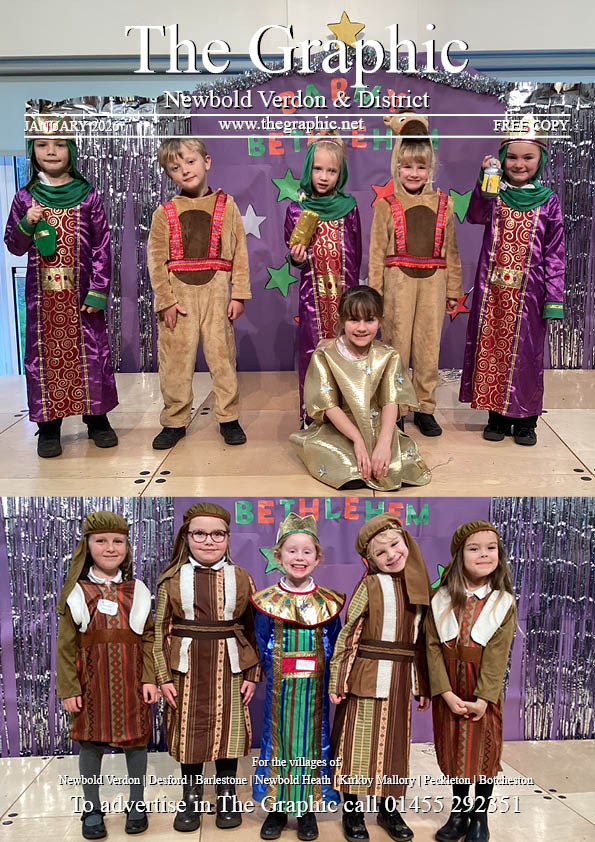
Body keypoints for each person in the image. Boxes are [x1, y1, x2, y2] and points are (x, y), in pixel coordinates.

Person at [4, 116, 118, 458]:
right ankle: (48, 427)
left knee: (93, 356)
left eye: (58, 144)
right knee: (44, 359)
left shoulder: (88, 196)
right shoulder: (26, 198)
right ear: (32, 151)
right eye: (42, 145)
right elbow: (13, 244)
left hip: (82, 297)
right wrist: (27, 222)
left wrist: (98, 290)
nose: (50, 151)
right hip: (44, 302)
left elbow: (102, 246)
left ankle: (97, 419)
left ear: (70, 150)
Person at [154, 502, 260, 832]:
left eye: (218, 534)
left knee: (229, 731)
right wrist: (162, 677)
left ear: (228, 538)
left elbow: (254, 629)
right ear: (187, 537)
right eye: (200, 533)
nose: (209, 540)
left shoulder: (242, 578)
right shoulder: (171, 580)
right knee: (189, 733)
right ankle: (192, 796)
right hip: (184, 671)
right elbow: (159, 631)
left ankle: (227, 793)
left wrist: (253, 675)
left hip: (230, 669)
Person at [459, 116, 565, 446]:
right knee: (492, 351)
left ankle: (525, 420)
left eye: (527, 157)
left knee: (527, 356)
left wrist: (554, 298)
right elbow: (475, 214)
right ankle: (496, 417)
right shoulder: (496, 195)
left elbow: (554, 253)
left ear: (540, 159)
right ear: (503, 159)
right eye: (512, 157)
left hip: (530, 296)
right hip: (493, 294)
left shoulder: (547, 201)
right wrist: (484, 181)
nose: (519, 164)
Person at [329, 514, 431, 842]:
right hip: (367, 675)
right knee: (357, 745)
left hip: (401, 678)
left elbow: (421, 642)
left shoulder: (420, 587)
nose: (391, 555)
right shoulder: (370, 585)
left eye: (395, 545)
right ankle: (353, 812)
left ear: (406, 542)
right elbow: (350, 633)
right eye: (380, 552)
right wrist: (339, 679)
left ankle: (389, 810)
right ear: (369, 560)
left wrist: (422, 685)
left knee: (393, 746)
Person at [56, 511, 158, 839]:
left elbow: (149, 638)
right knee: (90, 743)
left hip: (130, 680)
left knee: (136, 741)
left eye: (118, 541)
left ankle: (137, 804)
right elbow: (66, 645)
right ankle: (91, 809)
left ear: (127, 547)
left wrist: (149, 678)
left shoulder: (137, 590)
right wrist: (69, 687)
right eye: (101, 541)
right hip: (92, 680)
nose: (110, 548)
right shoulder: (78, 592)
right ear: (87, 546)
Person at [147, 138, 251, 449]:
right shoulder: (164, 213)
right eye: (175, 168)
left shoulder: (227, 205)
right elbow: (156, 260)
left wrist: (239, 294)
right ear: (169, 175)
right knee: (175, 361)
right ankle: (175, 420)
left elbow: (241, 253)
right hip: (178, 299)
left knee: (222, 357)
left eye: (190, 162)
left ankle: (228, 417)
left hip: (217, 294)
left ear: (206, 162)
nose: (185, 171)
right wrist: (165, 300)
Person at [251, 513, 344, 842]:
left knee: (312, 744)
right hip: (280, 693)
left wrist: (333, 680)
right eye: (292, 551)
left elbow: (335, 642)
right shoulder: (265, 603)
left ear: (318, 558)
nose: (299, 558)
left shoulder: (329, 603)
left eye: (307, 552)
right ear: (278, 556)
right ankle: (277, 808)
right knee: (279, 746)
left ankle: (306, 810)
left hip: (314, 693)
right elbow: (261, 641)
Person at [368, 112, 463, 437]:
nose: (414, 173)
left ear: (431, 169)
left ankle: (424, 406)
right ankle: (396, 408)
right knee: (396, 347)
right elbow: (377, 254)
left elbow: (451, 253)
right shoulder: (386, 206)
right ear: (397, 166)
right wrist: (375, 294)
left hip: (433, 287)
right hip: (397, 287)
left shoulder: (444, 205)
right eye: (407, 166)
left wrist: (454, 291)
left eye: (421, 167)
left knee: (427, 348)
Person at [425, 521, 516, 842]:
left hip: (482, 690)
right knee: (456, 751)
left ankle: (480, 816)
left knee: (483, 754)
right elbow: (432, 648)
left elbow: (497, 655)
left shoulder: (502, 602)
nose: (484, 554)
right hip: (450, 686)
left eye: (491, 548)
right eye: (474, 548)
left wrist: (483, 698)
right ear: (458, 556)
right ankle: (459, 812)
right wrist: (445, 692)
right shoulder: (441, 599)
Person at [290, 286, 431, 491]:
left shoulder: (388, 355)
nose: (361, 328)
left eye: (369, 320)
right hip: (340, 429)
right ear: (341, 320)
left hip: (377, 427)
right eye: (354, 320)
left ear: (380, 321)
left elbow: (390, 401)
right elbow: (328, 405)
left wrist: (383, 443)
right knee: (343, 465)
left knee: (391, 467)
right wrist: (357, 440)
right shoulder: (325, 354)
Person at [285, 134, 361, 423]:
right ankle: (313, 413)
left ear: (340, 174)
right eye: (318, 169)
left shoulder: (349, 207)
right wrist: (298, 256)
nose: (324, 176)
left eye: (332, 171)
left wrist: (352, 294)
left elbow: (357, 249)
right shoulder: (297, 210)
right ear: (308, 170)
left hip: (344, 298)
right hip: (312, 299)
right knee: (314, 353)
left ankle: (348, 412)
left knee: (348, 352)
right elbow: (293, 254)